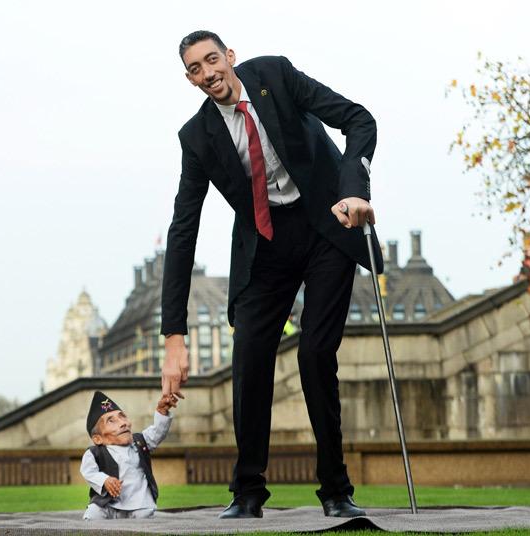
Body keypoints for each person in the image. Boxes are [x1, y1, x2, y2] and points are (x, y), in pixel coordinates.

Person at [160, 31, 383, 519]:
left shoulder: (275, 76)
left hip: (327, 223)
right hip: (265, 244)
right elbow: (183, 231)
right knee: (250, 360)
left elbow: (358, 121)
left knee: (314, 353)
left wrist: (354, 188)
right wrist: (174, 333)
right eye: (195, 69)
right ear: (190, 79)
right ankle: (247, 492)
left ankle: (336, 491)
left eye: (212, 60)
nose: (208, 73)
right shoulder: (197, 138)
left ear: (230, 58)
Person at [80, 391, 177, 520]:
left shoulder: (140, 441)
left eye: (122, 417)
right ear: (98, 439)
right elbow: (88, 471)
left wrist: (162, 412)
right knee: (93, 514)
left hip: (139, 503)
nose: (122, 423)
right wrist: (105, 480)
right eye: (111, 421)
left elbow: (157, 432)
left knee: (144, 517)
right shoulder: (94, 453)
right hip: (107, 504)